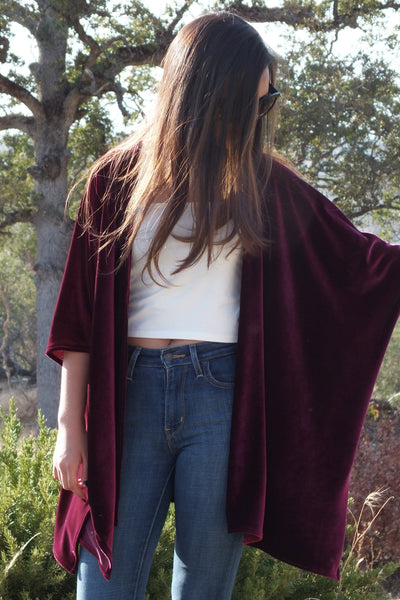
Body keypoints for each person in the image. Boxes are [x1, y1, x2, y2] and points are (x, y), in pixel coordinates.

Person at [48, 10, 400, 600]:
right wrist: (67, 429)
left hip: (221, 398)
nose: (259, 117)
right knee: (102, 584)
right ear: (209, 92)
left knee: (203, 590)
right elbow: (79, 322)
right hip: (126, 398)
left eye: (267, 102)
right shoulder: (115, 181)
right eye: (252, 102)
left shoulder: (262, 184)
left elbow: (362, 262)